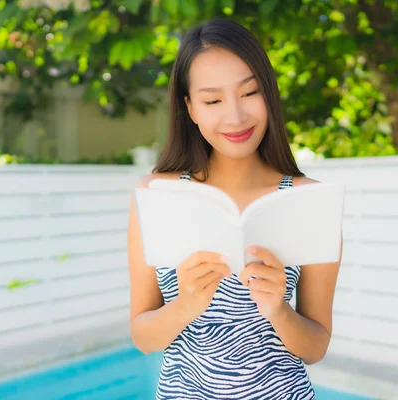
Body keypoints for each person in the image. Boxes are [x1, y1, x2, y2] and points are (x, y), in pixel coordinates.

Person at [127, 18, 342, 400]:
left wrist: (279, 310)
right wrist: (187, 305)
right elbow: (144, 338)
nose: (235, 117)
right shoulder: (157, 195)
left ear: (269, 94)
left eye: (249, 92)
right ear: (190, 108)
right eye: (212, 100)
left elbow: (315, 347)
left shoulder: (307, 200)